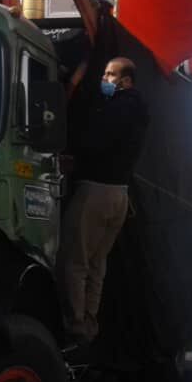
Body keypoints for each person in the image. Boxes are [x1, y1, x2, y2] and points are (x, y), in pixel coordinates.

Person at [57, 57, 149, 349]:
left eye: (110, 75)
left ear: (126, 81)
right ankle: (89, 325)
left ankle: (74, 326)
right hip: (119, 195)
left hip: (95, 192)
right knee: (97, 264)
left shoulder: (118, 108)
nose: (105, 79)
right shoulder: (139, 109)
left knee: (74, 262)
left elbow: (95, 142)